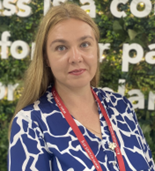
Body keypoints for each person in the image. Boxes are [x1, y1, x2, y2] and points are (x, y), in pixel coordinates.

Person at [8, 2, 155, 171]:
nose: (76, 58)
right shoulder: (31, 123)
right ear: (46, 58)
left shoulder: (121, 106)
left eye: (85, 44)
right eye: (61, 47)